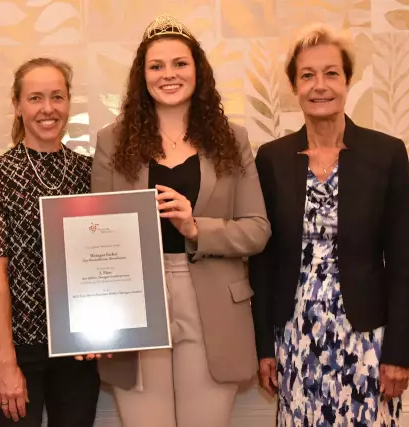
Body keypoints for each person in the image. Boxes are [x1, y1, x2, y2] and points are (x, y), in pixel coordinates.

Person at [90, 15, 271, 427]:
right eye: (156, 66)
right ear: (142, 77)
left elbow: (258, 229)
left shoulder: (232, 138)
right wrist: (91, 321)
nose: (168, 74)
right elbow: (97, 235)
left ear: (197, 70)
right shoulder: (111, 141)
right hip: (135, 303)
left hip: (212, 303)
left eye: (179, 63)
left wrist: (195, 228)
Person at [249, 23, 409, 426]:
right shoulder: (272, 159)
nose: (319, 85)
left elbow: (402, 265)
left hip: (366, 340)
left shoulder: (386, 153)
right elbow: (263, 261)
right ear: (294, 86)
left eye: (331, 73)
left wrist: (398, 353)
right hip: (295, 337)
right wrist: (263, 348)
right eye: (307, 75)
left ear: (347, 81)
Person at [0, 57, 100, 427]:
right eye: (35, 98)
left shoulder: (90, 173)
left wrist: (102, 329)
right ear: (17, 105)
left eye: (57, 97)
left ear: (68, 102)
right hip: (17, 349)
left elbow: (101, 263)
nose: (48, 109)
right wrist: (6, 362)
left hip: (79, 348)